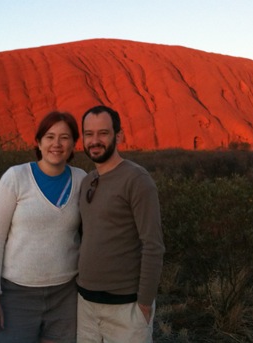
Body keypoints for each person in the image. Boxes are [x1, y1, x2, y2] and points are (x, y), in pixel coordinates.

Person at [0, 111, 87, 343]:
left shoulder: (81, 179)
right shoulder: (16, 177)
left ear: (73, 144)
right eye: (49, 137)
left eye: (64, 137)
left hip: (65, 295)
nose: (56, 144)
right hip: (17, 294)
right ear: (38, 142)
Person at [76, 105, 165, 343]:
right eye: (88, 134)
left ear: (119, 136)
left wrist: (144, 303)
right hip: (85, 306)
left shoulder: (137, 179)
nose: (95, 141)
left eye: (103, 133)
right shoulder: (87, 181)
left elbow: (153, 245)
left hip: (125, 310)